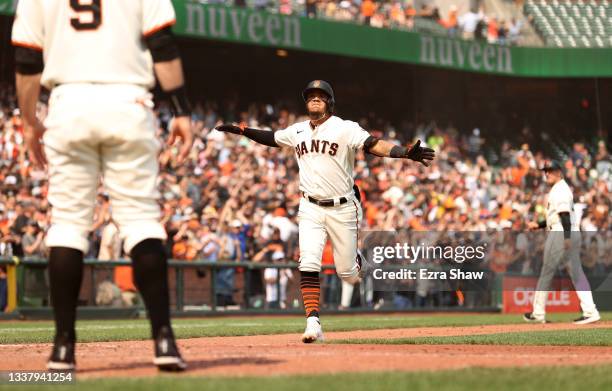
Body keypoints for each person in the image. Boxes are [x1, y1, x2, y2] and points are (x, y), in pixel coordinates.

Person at [12, 0, 193, 371]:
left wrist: (30, 121)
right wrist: (182, 109)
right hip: (128, 101)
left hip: (68, 103)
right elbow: (163, 45)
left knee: (67, 225)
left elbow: (27, 62)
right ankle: (164, 341)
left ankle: (63, 348)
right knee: (141, 221)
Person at [216, 80, 435, 342]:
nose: (315, 99)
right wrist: (243, 130)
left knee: (349, 275)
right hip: (309, 205)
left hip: (343, 207)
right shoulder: (297, 131)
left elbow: (373, 144)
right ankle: (313, 322)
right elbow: (271, 138)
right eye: (311, 96)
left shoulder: (344, 128)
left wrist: (403, 152)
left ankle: (359, 262)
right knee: (308, 261)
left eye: (321, 96)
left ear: (330, 102)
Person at [524, 161, 600, 325]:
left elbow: (564, 215)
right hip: (567, 230)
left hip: (561, 232)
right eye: (545, 171)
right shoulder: (561, 188)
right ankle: (591, 311)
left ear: (559, 172)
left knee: (547, 271)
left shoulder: (560, 190)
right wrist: (539, 225)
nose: (547, 174)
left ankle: (538, 313)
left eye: (550, 171)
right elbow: (558, 215)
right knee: (577, 273)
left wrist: (565, 237)